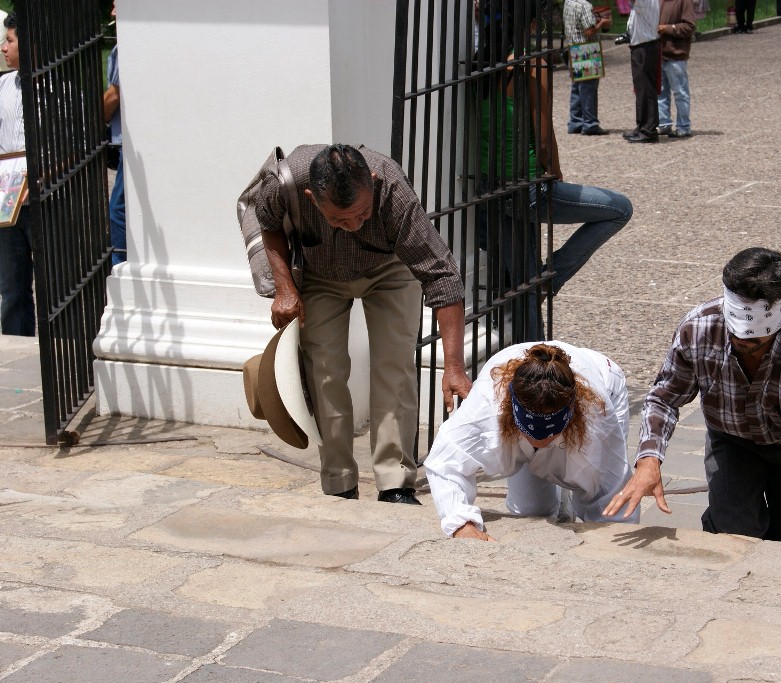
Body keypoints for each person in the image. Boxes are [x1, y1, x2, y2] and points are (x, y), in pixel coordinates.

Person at [253, 143, 473, 504]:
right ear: (311, 198)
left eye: (363, 213)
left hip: (389, 269)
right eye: (340, 219)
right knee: (324, 370)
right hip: (320, 273)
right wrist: (284, 287)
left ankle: (395, 483)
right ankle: (339, 482)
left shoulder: (392, 189)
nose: (354, 225)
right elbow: (268, 224)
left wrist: (453, 366)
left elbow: (441, 276)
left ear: (372, 183)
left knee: (394, 364)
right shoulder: (284, 185)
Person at [603, 248, 781, 546]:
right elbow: (664, 398)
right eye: (735, 335)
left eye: (754, 342)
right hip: (733, 439)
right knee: (736, 538)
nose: (742, 343)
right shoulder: (699, 327)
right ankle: (726, 514)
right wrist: (648, 460)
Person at [477, 2, 632, 340]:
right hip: (526, 184)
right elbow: (543, 136)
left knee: (522, 283)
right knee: (619, 209)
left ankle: (527, 358)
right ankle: (554, 275)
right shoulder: (530, 64)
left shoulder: (478, 64)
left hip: (489, 188)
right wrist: (555, 174)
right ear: (531, 25)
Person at [424, 342, 639, 541]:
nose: (542, 440)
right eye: (532, 433)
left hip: (603, 379)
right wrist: (462, 524)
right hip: (520, 405)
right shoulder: (487, 403)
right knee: (529, 510)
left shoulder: (596, 411)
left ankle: (567, 495)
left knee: (597, 498)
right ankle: (561, 503)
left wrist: (611, 542)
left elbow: (611, 485)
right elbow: (445, 460)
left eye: (550, 433)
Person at [0, 11, 32, 337]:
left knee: (56, 284)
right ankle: (16, 343)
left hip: (43, 197)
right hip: (7, 203)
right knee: (12, 287)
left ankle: (60, 347)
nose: (3, 48)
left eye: (10, 40)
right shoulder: (3, 86)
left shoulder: (59, 88)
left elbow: (75, 145)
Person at [563, 0, 611, 136]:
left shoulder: (569, 2)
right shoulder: (584, 5)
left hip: (573, 48)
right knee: (589, 87)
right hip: (586, 49)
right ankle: (590, 123)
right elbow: (589, 31)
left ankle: (575, 122)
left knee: (577, 87)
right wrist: (602, 23)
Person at [103, 0, 126, 265]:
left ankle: (120, 266)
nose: (112, 13)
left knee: (118, 210)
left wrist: (94, 121)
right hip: (126, 140)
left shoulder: (125, 48)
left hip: (127, 142)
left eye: (116, 6)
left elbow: (114, 95)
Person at [656, 0, 696, 139]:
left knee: (680, 93)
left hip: (676, 55)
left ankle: (683, 126)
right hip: (659, 53)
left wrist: (668, 29)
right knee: (660, 93)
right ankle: (663, 123)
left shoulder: (684, 2)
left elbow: (690, 26)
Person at [622, 0, 660, 143]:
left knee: (646, 89)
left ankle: (649, 129)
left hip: (645, 47)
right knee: (640, 89)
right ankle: (642, 125)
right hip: (640, 47)